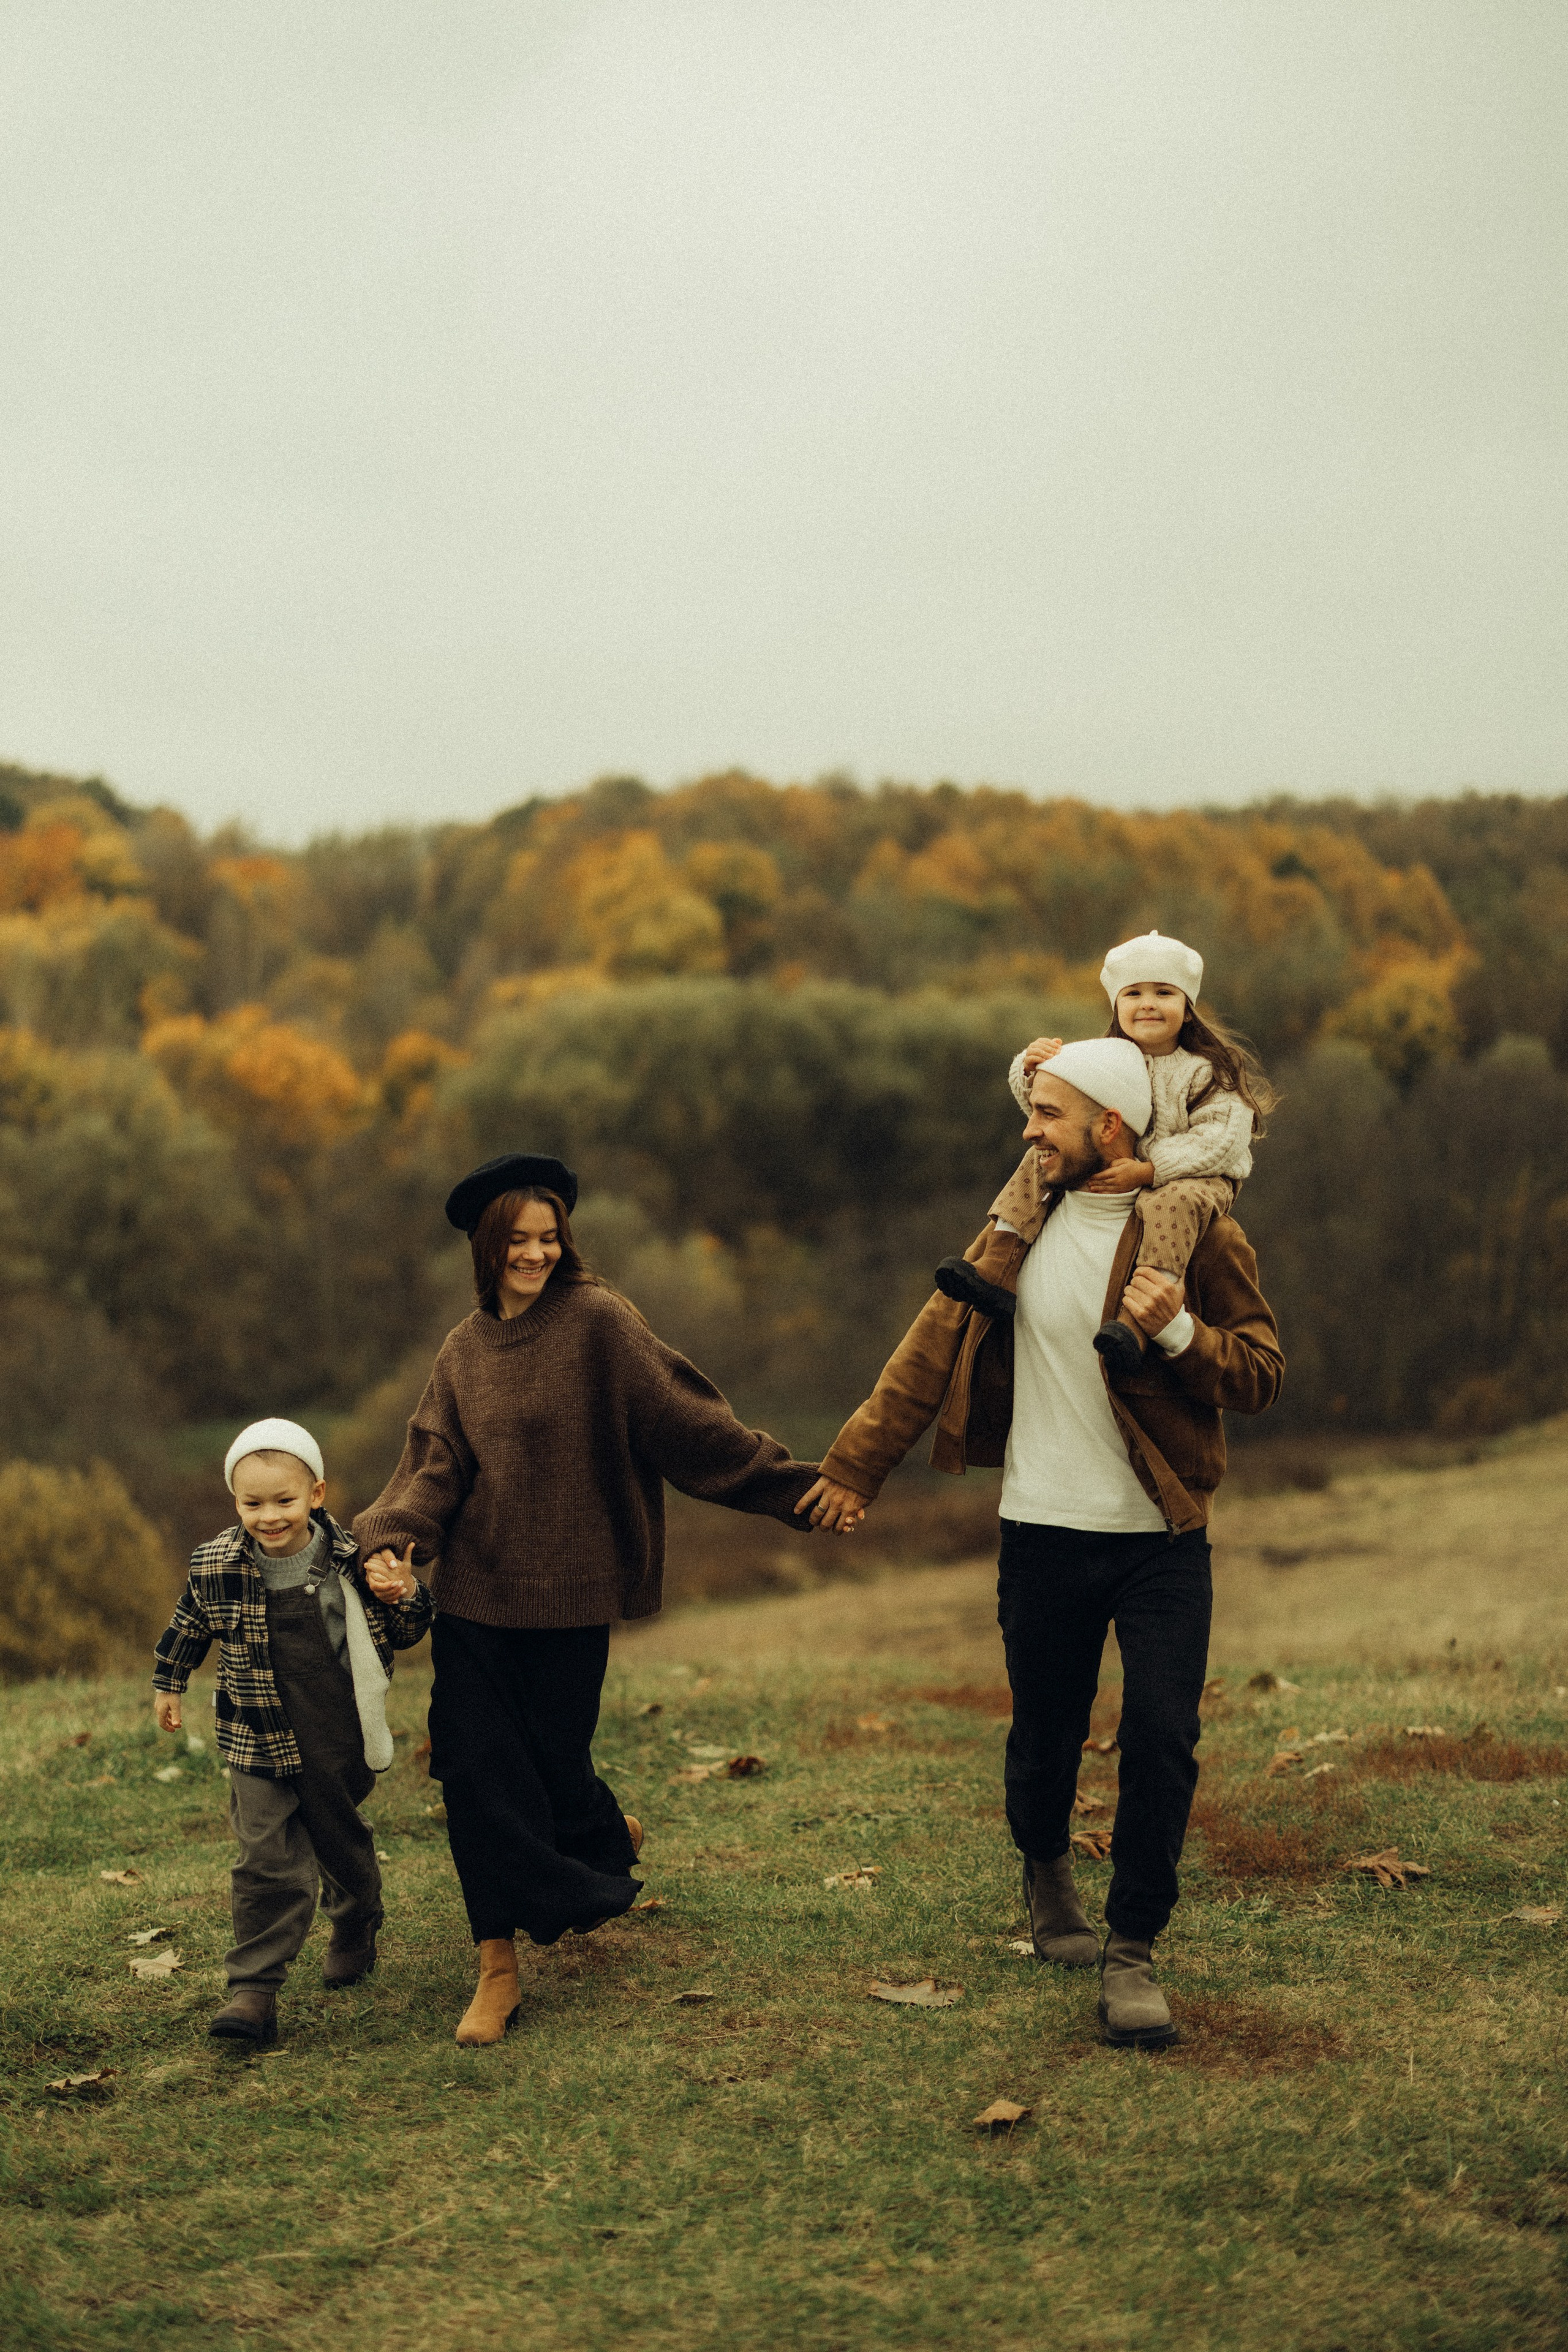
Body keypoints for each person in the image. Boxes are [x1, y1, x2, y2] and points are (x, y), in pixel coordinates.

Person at [794, 1040, 1283, 2048]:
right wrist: (854, 1467)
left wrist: (1184, 1334)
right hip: (1043, 1530)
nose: (1029, 1132)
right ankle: (1045, 1864)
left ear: (1112, 1123)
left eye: (1047, 1115)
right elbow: (928, 1350)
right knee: (1044, 1735)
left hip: (1161, 1537)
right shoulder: (1017, 1232)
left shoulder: (1199, 1235)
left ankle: (1133, 1948)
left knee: (1161, 1735)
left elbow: (1264, 1372)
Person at [356, 1152, 824, 2048]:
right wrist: (390, 1540)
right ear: (487, 1248)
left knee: (556, 1769)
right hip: (476, 1597)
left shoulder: (600, 1323)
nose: (534, 1255)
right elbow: (432, 1467)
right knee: (473, 1774)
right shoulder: (465, 1350)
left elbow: (691, 1426)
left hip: (571, 1595)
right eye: (518, 1242)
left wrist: (797, 1491)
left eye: (549, 1239)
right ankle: (497, 1968)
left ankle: (603, 1843)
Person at [153, 1417, 434, 2046]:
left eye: (284, 1500)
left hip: (335, 1731)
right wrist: (169, 1682)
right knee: (266, 1860)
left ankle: (358, 1917)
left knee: (340, 1845)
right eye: (253, 1503)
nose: (269, 1515)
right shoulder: (216, 1564)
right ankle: (253, 1992)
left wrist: (404, 1592)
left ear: (316, 1495)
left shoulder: (354, 1559)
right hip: (254, 1734)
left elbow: (411, 1628)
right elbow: (187, 1626)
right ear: (236, 1502)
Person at [938, 930, 1273, 1378]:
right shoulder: (1108, 1058)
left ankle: (1138, 1321)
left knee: (1169, 1204)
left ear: (1187, 1006)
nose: (1148, 1003)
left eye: (1164, 992)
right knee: (1041, 1155)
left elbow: (1223, 1140)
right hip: (1127, 1165)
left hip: (1194, 1178)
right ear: (1116, 1004)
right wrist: (1031, 1067)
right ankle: (999, 1263)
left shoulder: (1204, 1071)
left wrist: (1151, 1170)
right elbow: (1062, 1111)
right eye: (1133, 993)